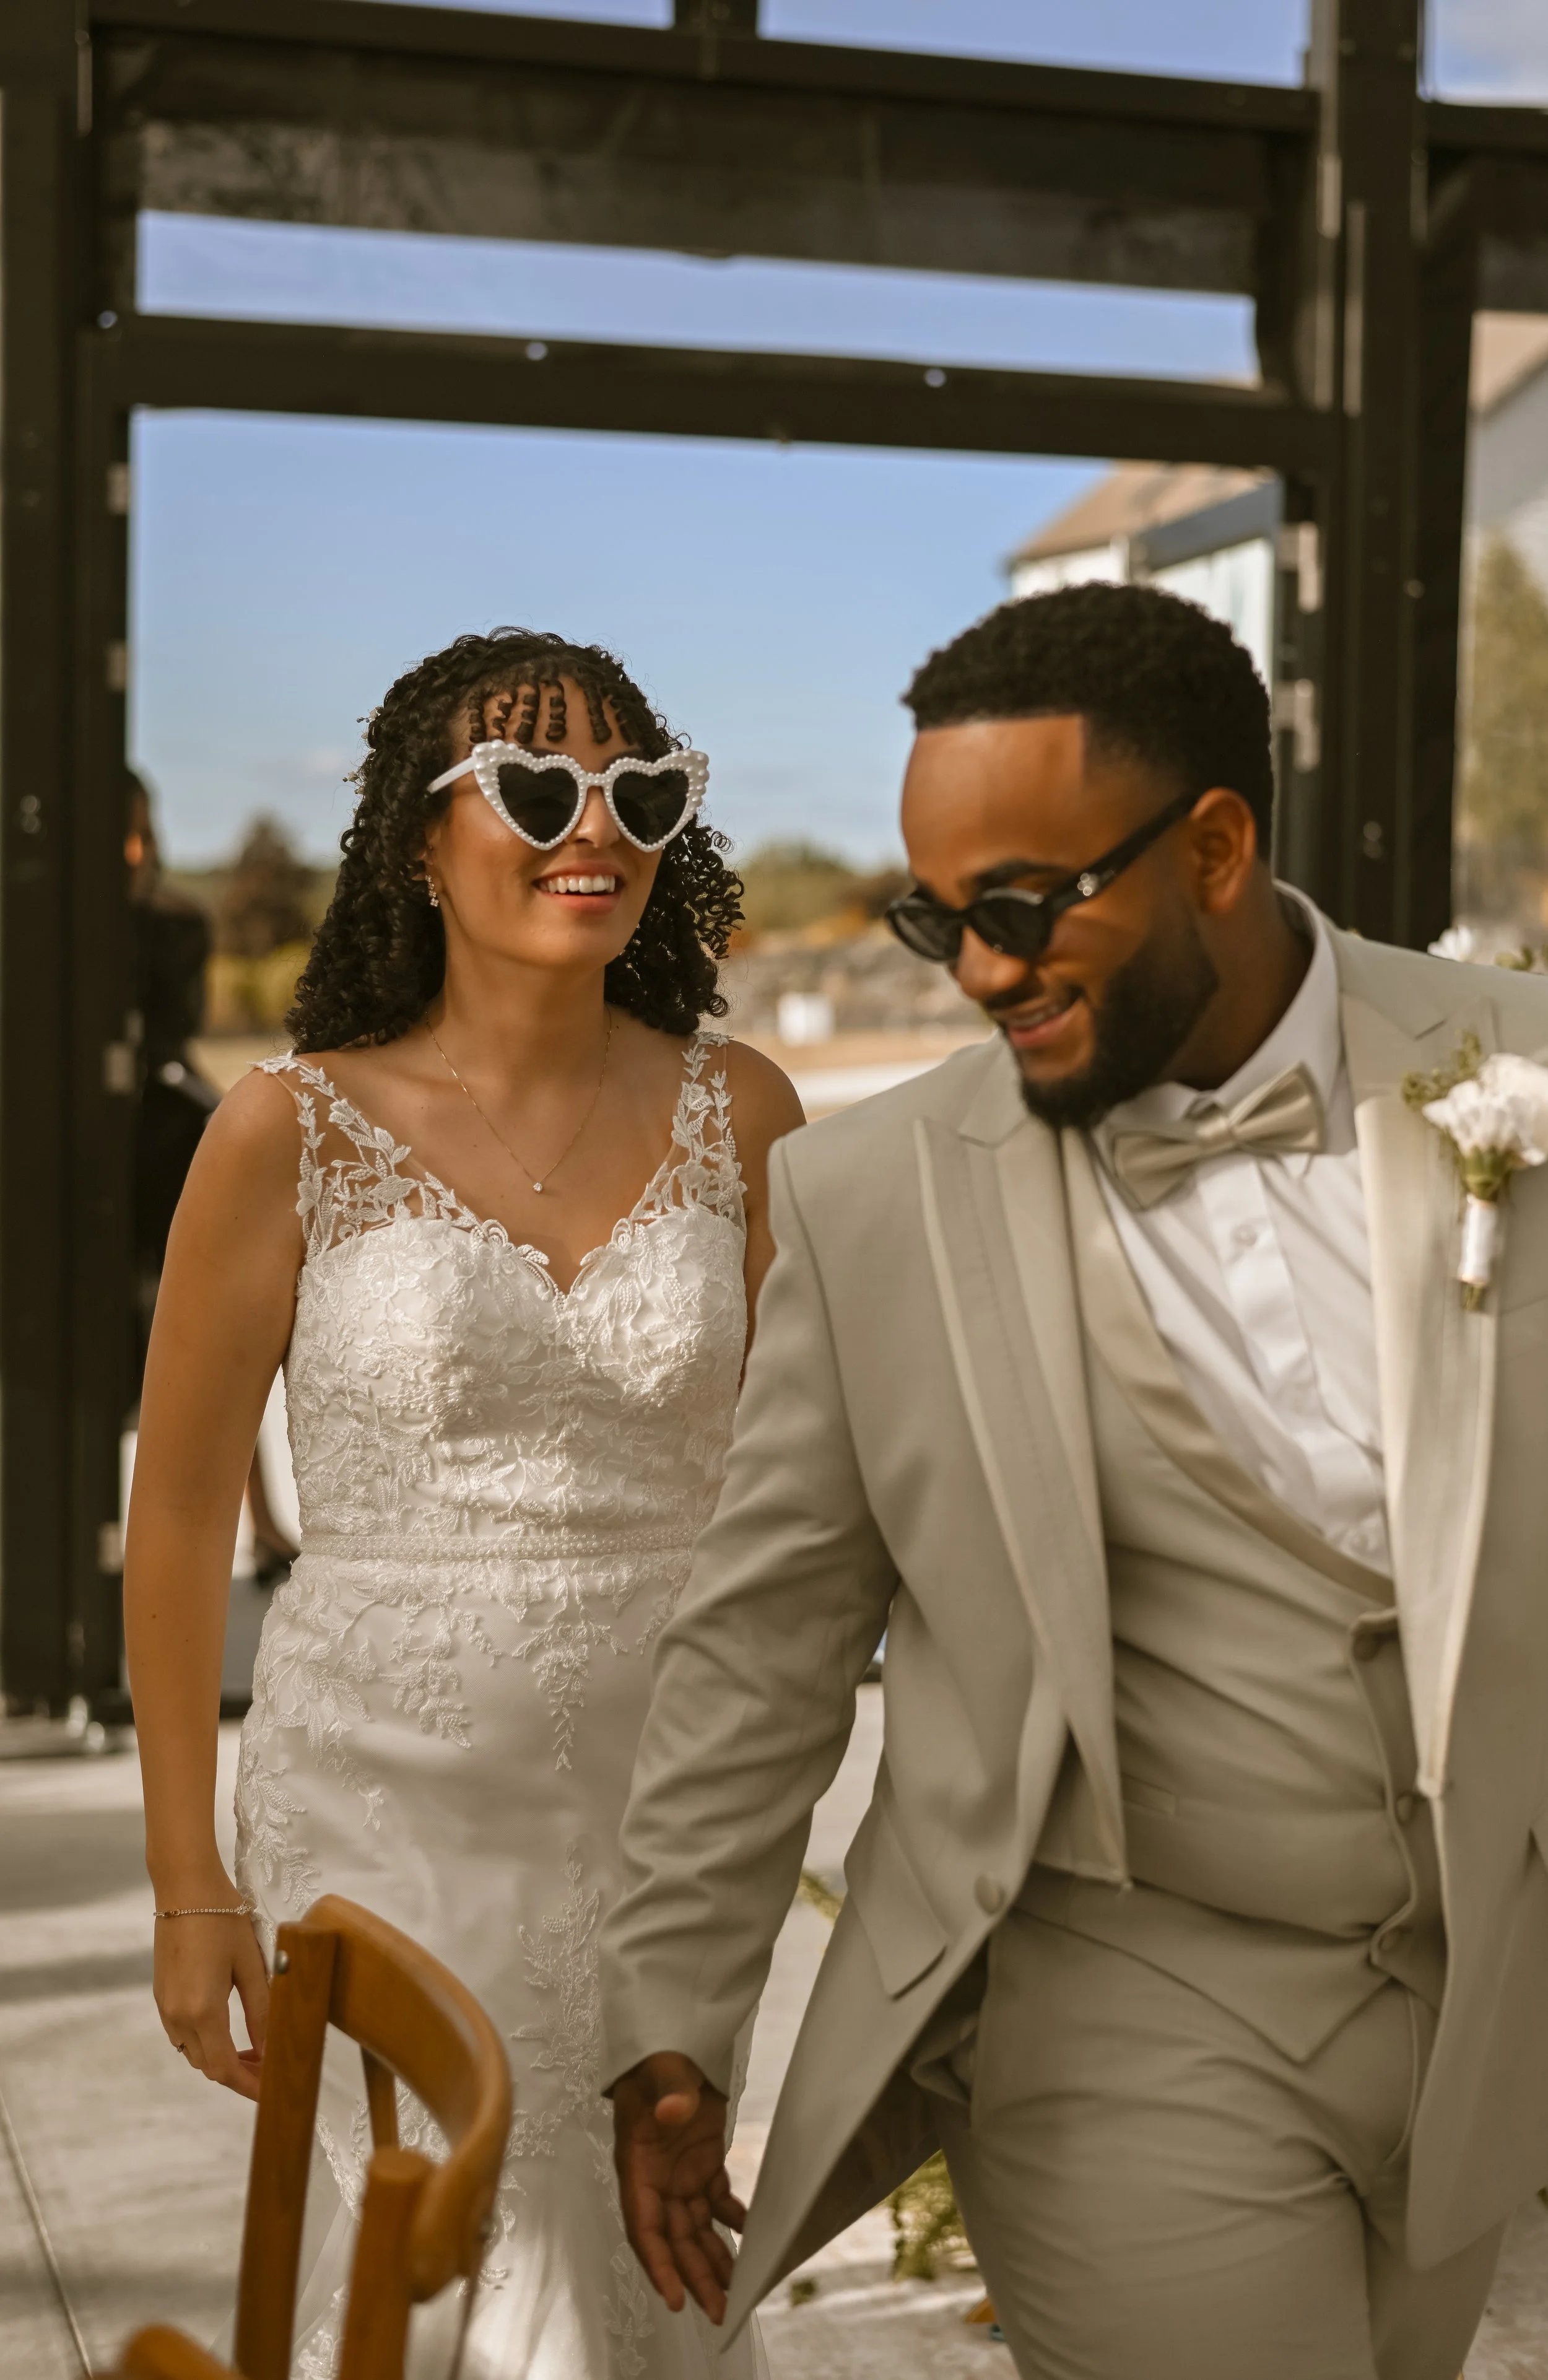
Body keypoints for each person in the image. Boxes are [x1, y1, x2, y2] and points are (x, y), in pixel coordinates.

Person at [601, 582, 1548, 2380]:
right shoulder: (875, 1198)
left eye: (1024, 908)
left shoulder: (1512, 1073)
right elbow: (765, 1639)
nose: (977, 972)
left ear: (1210, 848)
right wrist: (671, 2021)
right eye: (933, 920)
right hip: (1122, 2008)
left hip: (1474, 2019)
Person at [124, 629, 801, 2380]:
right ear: (419, 841)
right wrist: (187, 1879)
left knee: (647, 2278)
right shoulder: (289, 1130)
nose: (593, 827)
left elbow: (819, 1485)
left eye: (636, 791)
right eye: (531, 785)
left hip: (672, 1801)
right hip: (386, 1799)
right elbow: (188, 1511)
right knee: (491, 2284)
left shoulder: (751, 1115)